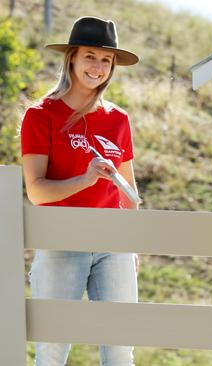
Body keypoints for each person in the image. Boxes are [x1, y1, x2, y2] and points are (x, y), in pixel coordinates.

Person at [21, 16, 140, 366]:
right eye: (90, 56)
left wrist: (132, 246)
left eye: (106, 60)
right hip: (60, 242)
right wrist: (85, 180)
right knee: (54, 349)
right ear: (71, 57)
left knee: (121, 348)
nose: (98, 67)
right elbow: (37, 191)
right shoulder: (41, 115)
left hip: (112, 245)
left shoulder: (118, 120)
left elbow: (128, 192)